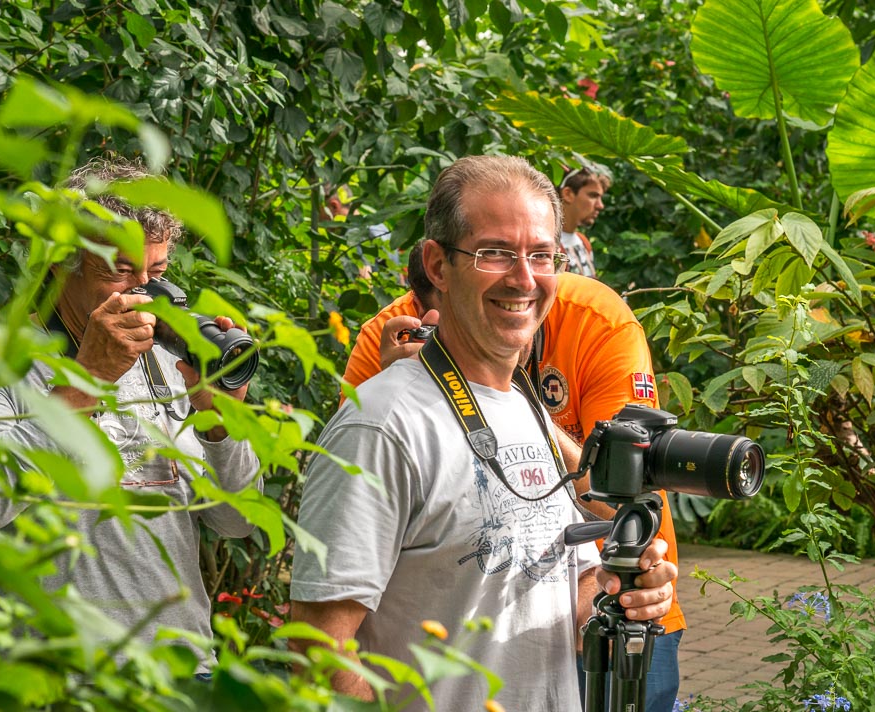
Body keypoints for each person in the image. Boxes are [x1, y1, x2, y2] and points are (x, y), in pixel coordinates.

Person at [290, 155, 677, 710]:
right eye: (495, 252)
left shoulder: (528, 409)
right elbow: (316, 651)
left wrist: (623, 601)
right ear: (438, 265)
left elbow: (571, 591)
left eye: (541, 254)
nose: (524, 278)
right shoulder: (382, 425)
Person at [0, 157, 261, 673]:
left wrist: (222, 419)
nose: (142, 292)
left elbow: (240, 521)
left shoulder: (168, 357)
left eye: (155, 273)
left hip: (181, 672)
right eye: (120, 271)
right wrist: (89, 378)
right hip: (55, 674)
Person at [342, 255, 687, 711]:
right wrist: (407, 389)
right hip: (457, 619)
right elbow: (353, 511)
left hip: (617, 588)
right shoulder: (393, 332)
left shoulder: (594, 321)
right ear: (440, 280)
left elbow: (630, 501)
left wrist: (520, 409)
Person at [557, 158, 612, 278]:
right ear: (568, 194)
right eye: (593, 196)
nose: (600, 205)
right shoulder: (547, 246)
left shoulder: (583, 242)